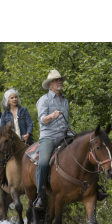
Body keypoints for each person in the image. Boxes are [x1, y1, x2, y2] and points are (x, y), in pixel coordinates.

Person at [33, 70, 72, 210]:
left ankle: (92, 187)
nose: (59, 82)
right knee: (43, 163)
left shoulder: (65, 100)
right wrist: (52, 116)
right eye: (56, 80)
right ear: (50, 84)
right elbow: (42, 120)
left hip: (66, 135)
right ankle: (39, 196)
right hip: (49, 136)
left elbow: (66, 122)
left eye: (60, 79)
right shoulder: (44, 100)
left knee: (86, 148)